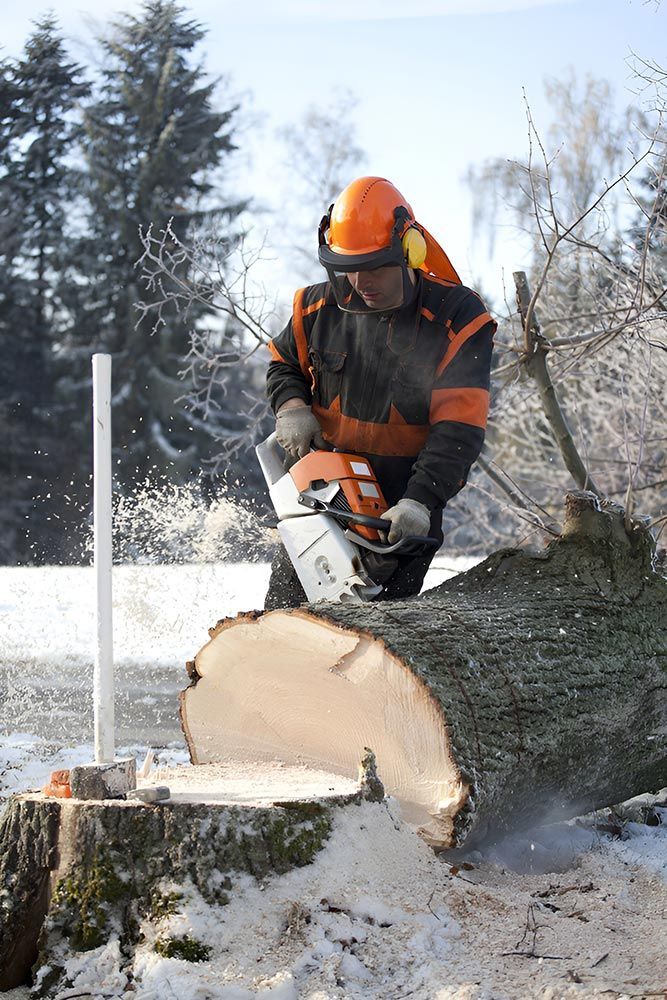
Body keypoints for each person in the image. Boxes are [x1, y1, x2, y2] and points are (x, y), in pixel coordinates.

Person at [264, 176, 496, 609]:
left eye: (375, 266)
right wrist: (292, 407)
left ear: (410, 251)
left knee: (374, 645)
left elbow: (459, 428)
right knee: (282, 623)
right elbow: (283, 362)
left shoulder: (455, 319)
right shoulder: (318, 308)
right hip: (321, 500)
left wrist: (421, 501)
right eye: (350, 267)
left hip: (400, 513)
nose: (361, 281)